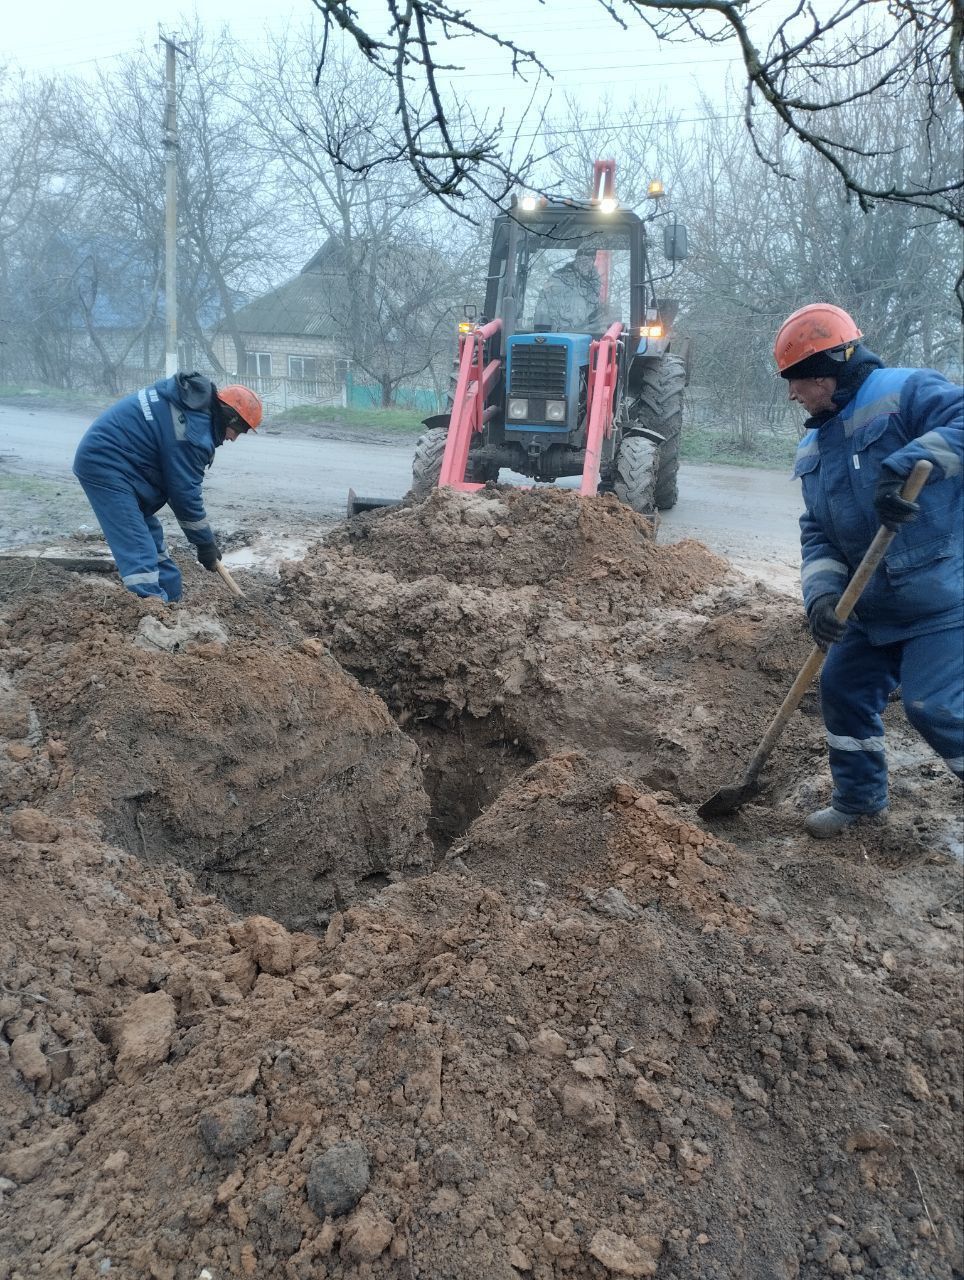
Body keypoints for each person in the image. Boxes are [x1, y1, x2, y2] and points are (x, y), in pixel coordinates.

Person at [777, 303, 963, 838]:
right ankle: (859, 802)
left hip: (941, 598)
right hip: (869, 609)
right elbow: (818, 531)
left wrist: (905, 467)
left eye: (800, 381)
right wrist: (822, 598)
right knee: (841, 691)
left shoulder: (904, 391)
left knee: (935, 707)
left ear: (831, 369)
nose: (794, 394)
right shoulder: (814, 443)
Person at [73, 372, 262, 603]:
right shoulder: (193, 433)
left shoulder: (193, 408)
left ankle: (172, 604)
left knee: (155, 547)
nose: (234, 439)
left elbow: (177, 485)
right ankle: (151, 612)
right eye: (239, 431)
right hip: (106, 463)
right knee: (138, 550)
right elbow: (184, 495)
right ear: (230, 418)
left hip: (131, 466)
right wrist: (205, 544)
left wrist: (204, 543)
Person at [534, 244, 603, 332]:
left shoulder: (594, 283)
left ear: (594, 259)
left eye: (589, 256)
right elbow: (542, 310)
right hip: (554, 336)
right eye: (581, 255)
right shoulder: (558, 278)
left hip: (585, 337)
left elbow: (595, 320)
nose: (584, 259)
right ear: (577, 257)